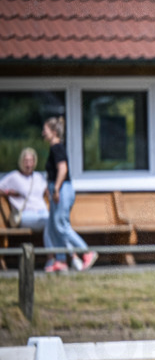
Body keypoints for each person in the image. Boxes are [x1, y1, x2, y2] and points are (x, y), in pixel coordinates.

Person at [42, 116, 98, 272]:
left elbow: (63, 169)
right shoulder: (54, 148)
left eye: (45, 130)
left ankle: (87, 252)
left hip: (62, 189)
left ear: (53, 132)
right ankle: (61, 260)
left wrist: (56, 188)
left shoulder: (57, 148)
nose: (43, 133)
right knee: (54, 227)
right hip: (57, 188)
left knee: (61, 226)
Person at [0, 147, 49, 231]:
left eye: (31, 161)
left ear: (34, 162)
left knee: (53, 222)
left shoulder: (38, 177)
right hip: (25, 214)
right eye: (26, 161)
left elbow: (47, 191)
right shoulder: (14, 176)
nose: (28, 165)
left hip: (42, 211)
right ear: (21, 162)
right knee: (49, 223)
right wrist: (8, 193)